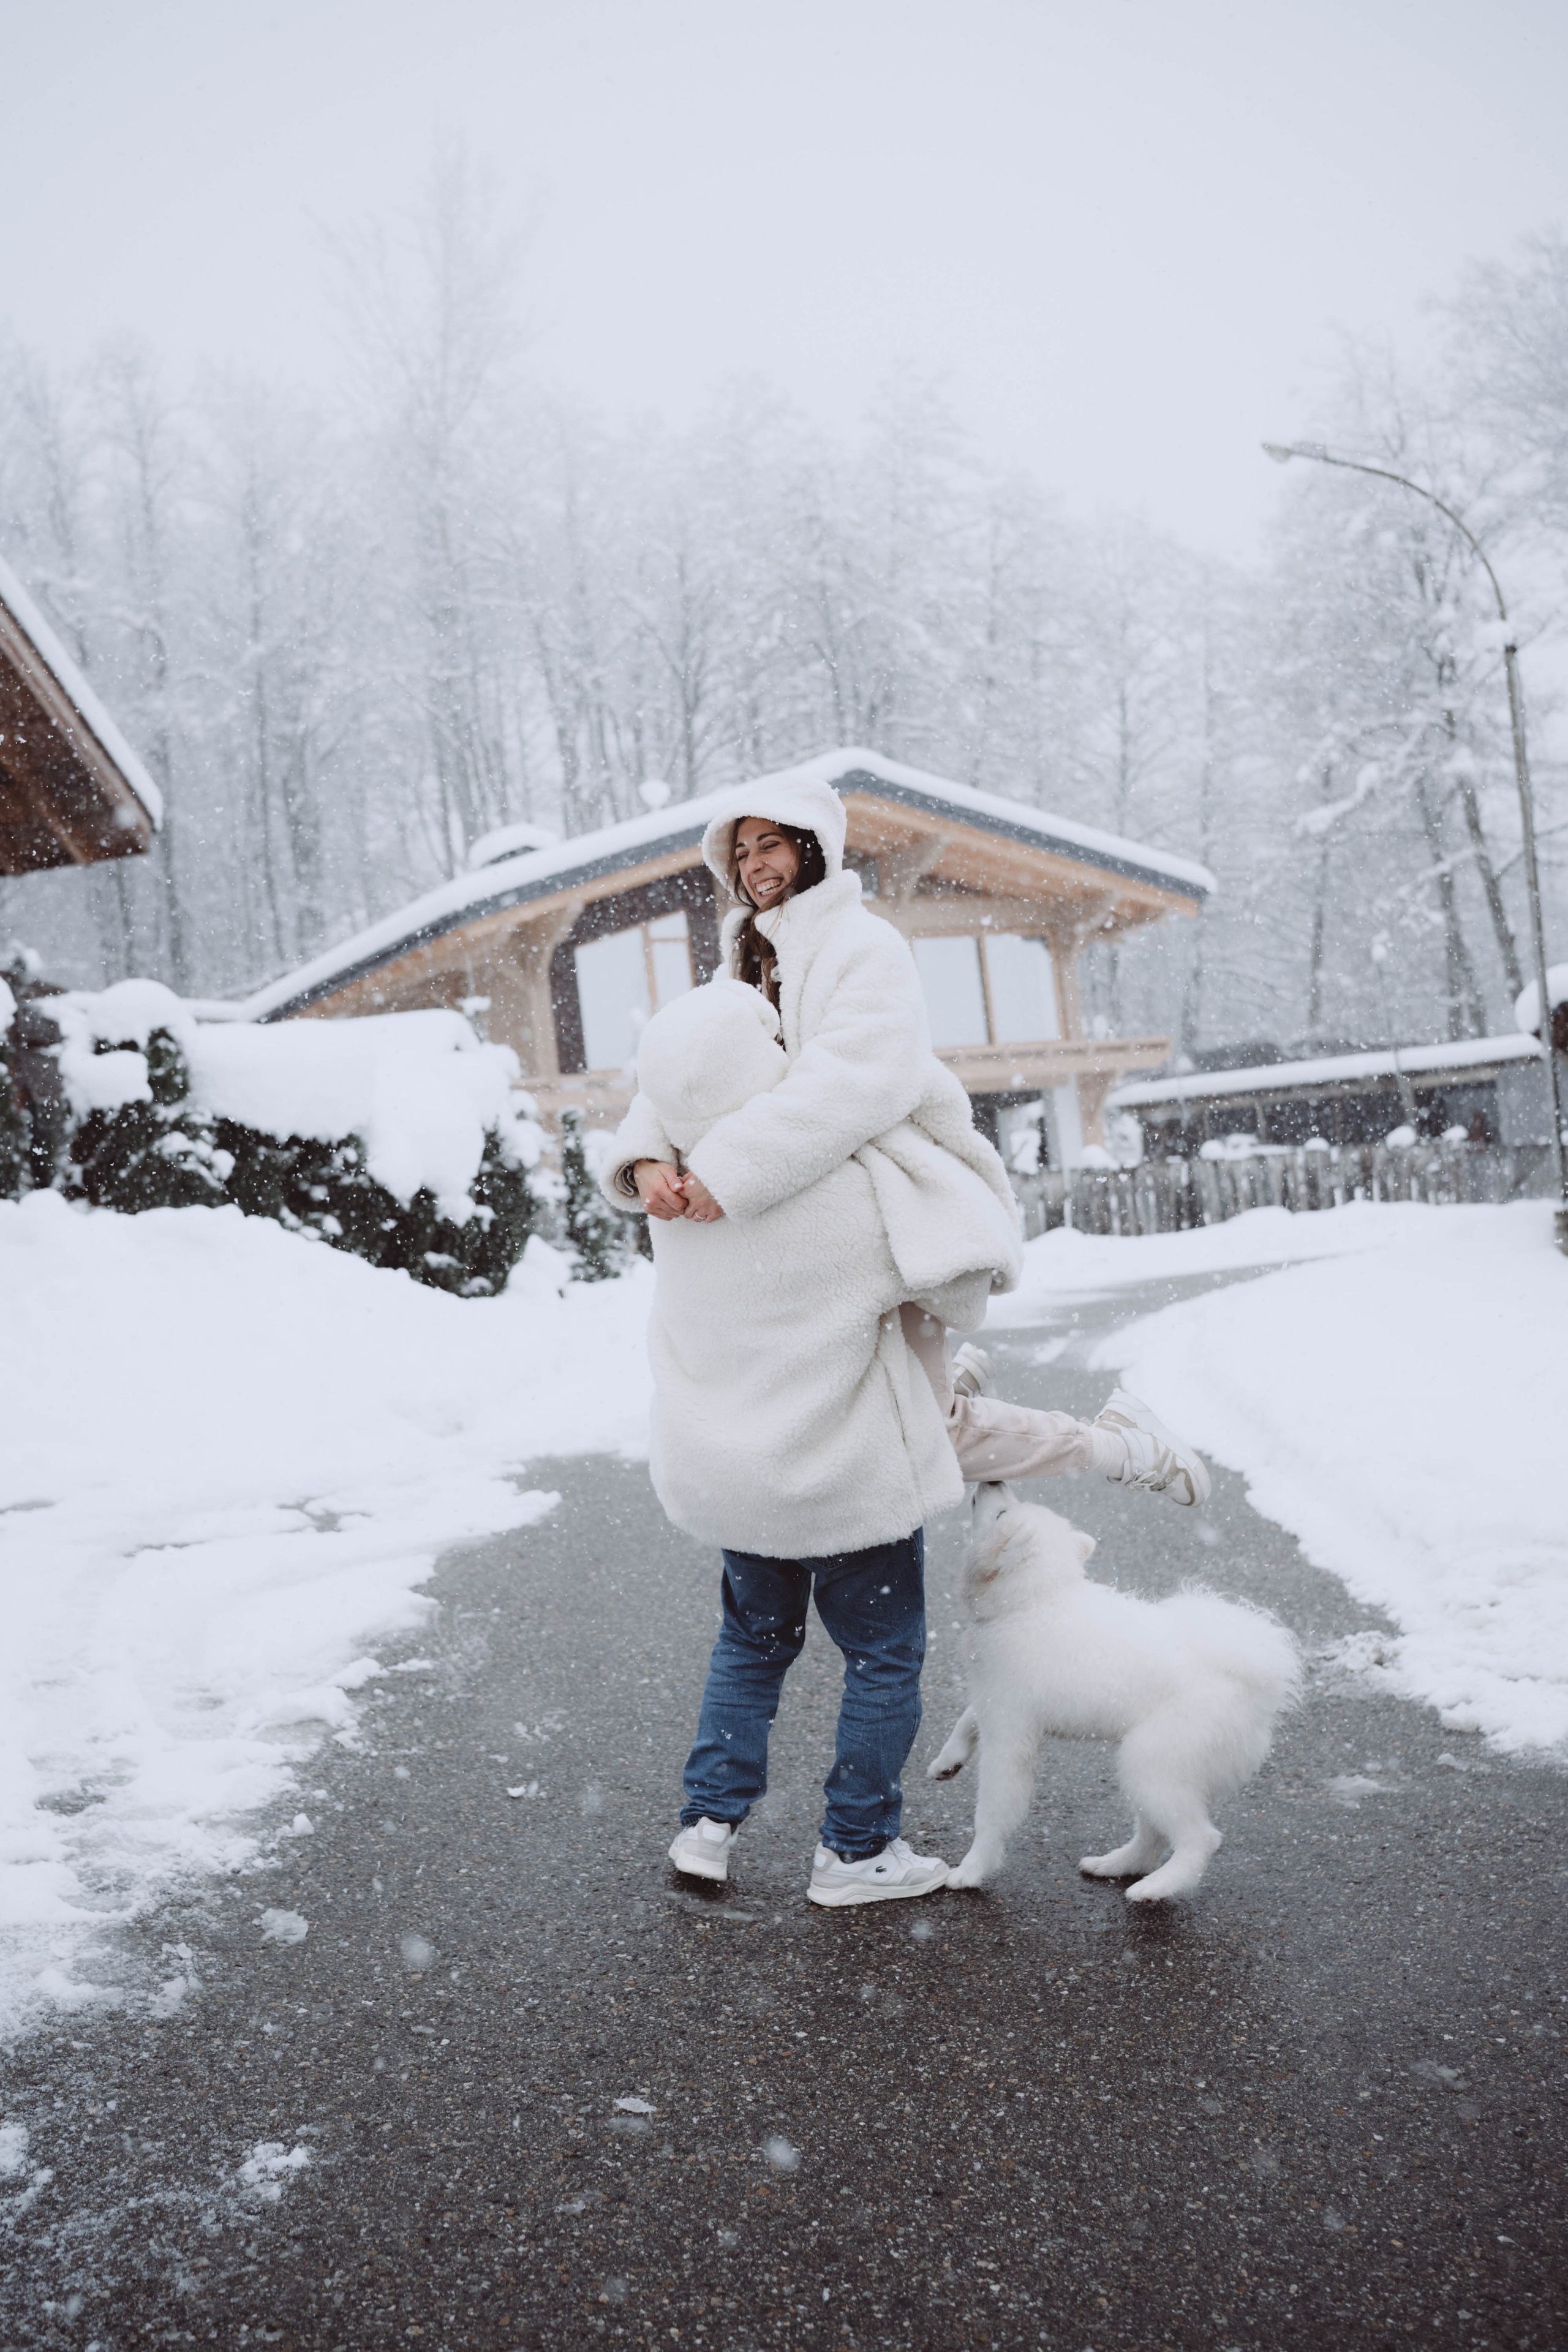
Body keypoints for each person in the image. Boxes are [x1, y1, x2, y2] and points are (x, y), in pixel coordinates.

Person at [601, 769, 1208, 1908]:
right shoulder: (740, 967)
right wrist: (647, 1166)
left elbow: (853, 1081)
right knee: (885, 1619)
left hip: (820, 1232)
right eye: (742, 850)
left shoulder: (864, 949)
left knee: (765, 1621)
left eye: (776, 845)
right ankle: (852, 1847)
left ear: (819, 847)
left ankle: (711, 1824)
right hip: (822, 1328)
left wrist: (720, 1175)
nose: (757, 864)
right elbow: (678, 1084)